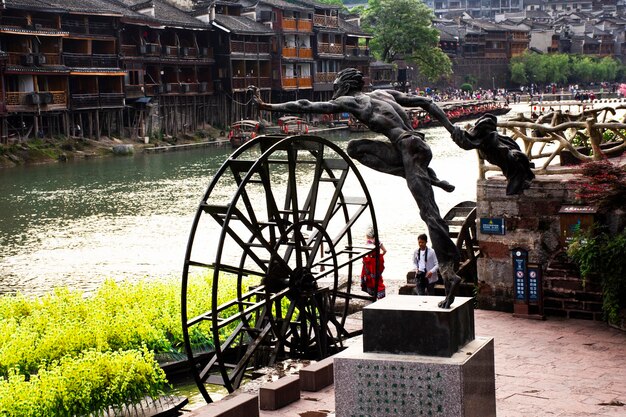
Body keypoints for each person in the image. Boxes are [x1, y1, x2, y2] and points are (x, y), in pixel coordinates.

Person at [250, 68, 532, 308]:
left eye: (336, 88)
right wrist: (450, 129)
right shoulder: (384, 94)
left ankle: (449, 271)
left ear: (345, 86)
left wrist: (267, 107)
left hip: (408, 150)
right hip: (418, 145)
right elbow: (425, 101)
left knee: (429, 214)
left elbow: (305, 107)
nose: (335, 93)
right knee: (355, 147)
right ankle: (427, 177)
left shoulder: (353, 102)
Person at [360, 227, 386, 299]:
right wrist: (379, 257)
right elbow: (385, 251)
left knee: (370, 278)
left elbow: (365, 252)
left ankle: (373, 294)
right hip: (378, 262)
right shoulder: (378, 241)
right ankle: (381, 294)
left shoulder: (369, 242)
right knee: (377, 278)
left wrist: (367, 260)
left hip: (371, 263)